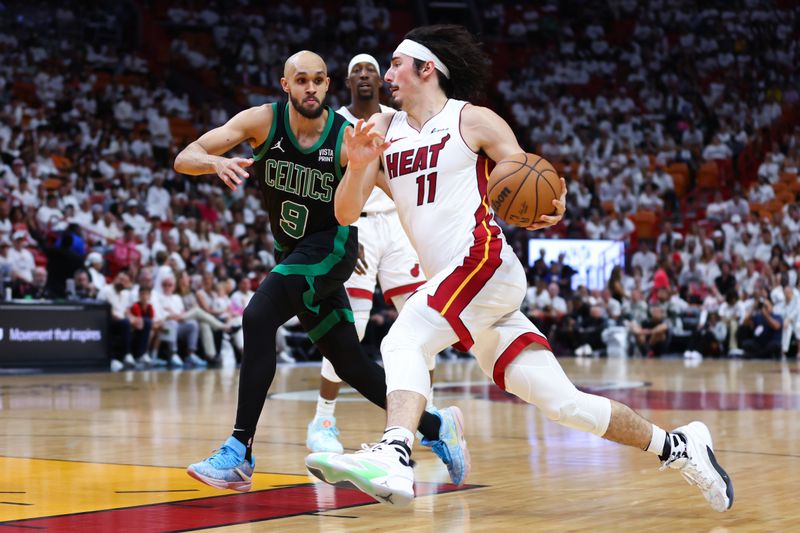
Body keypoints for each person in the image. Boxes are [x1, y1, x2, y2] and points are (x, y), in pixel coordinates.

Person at [305, 25, 733, 512]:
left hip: (483, 262)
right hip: (457, 287)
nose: (387, 75)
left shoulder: (473, 121)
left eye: (396, 64)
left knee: (401, 338)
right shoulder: (382, 133)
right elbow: (345, 212)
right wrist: (359, 164)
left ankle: (395, 452)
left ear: (427, 68)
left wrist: (553, 201)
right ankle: (678, 447)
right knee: (564, 403)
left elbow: (527, 172)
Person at [176, 51, 464, 493]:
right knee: (352, 365)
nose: (310, 88)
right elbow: (186, 156)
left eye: (317, 81)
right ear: (285, 85)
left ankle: (239, 452)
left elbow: (396, 188)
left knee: (257, 317)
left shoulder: (345, 134)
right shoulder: (261, 122)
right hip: (293, 254)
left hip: (331, 250)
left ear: (328, 85)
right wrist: (215, 163)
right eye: (301, 80)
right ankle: (435, 426)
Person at [306, 53, 427, 454]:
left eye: (370, 71)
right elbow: (326, 182)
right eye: (356, 71)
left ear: (381, 81)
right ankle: (323, 420)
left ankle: (423, 421)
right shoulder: (337, 121)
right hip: (354, 223)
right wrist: (342, 230)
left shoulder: (397, 119)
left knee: (423, 324)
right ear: (346, 81)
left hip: (397, 226)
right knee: (351, 329)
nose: (362, 76)